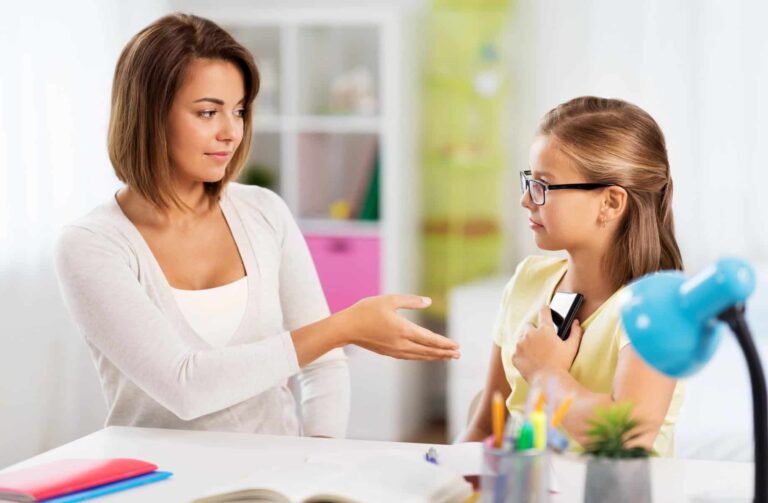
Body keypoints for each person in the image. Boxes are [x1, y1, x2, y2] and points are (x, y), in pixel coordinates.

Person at [55, 13, 459, 439]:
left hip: (275, 470)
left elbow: (323, 367)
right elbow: (185, 386)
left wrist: (317, 459)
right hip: (160, 473)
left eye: (239, 111)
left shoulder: (264, 212)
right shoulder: (92, 245)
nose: (232, 131)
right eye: (208, 112)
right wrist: (341, 327)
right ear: (148, 115)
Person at [461, 97, 684, 455]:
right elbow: (486, 427)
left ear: (610, 202)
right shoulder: (527, 281)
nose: (526, 200)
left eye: (543, 186)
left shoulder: (657, 310)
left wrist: (546, 375)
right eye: (529, 181)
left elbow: (628, 438)